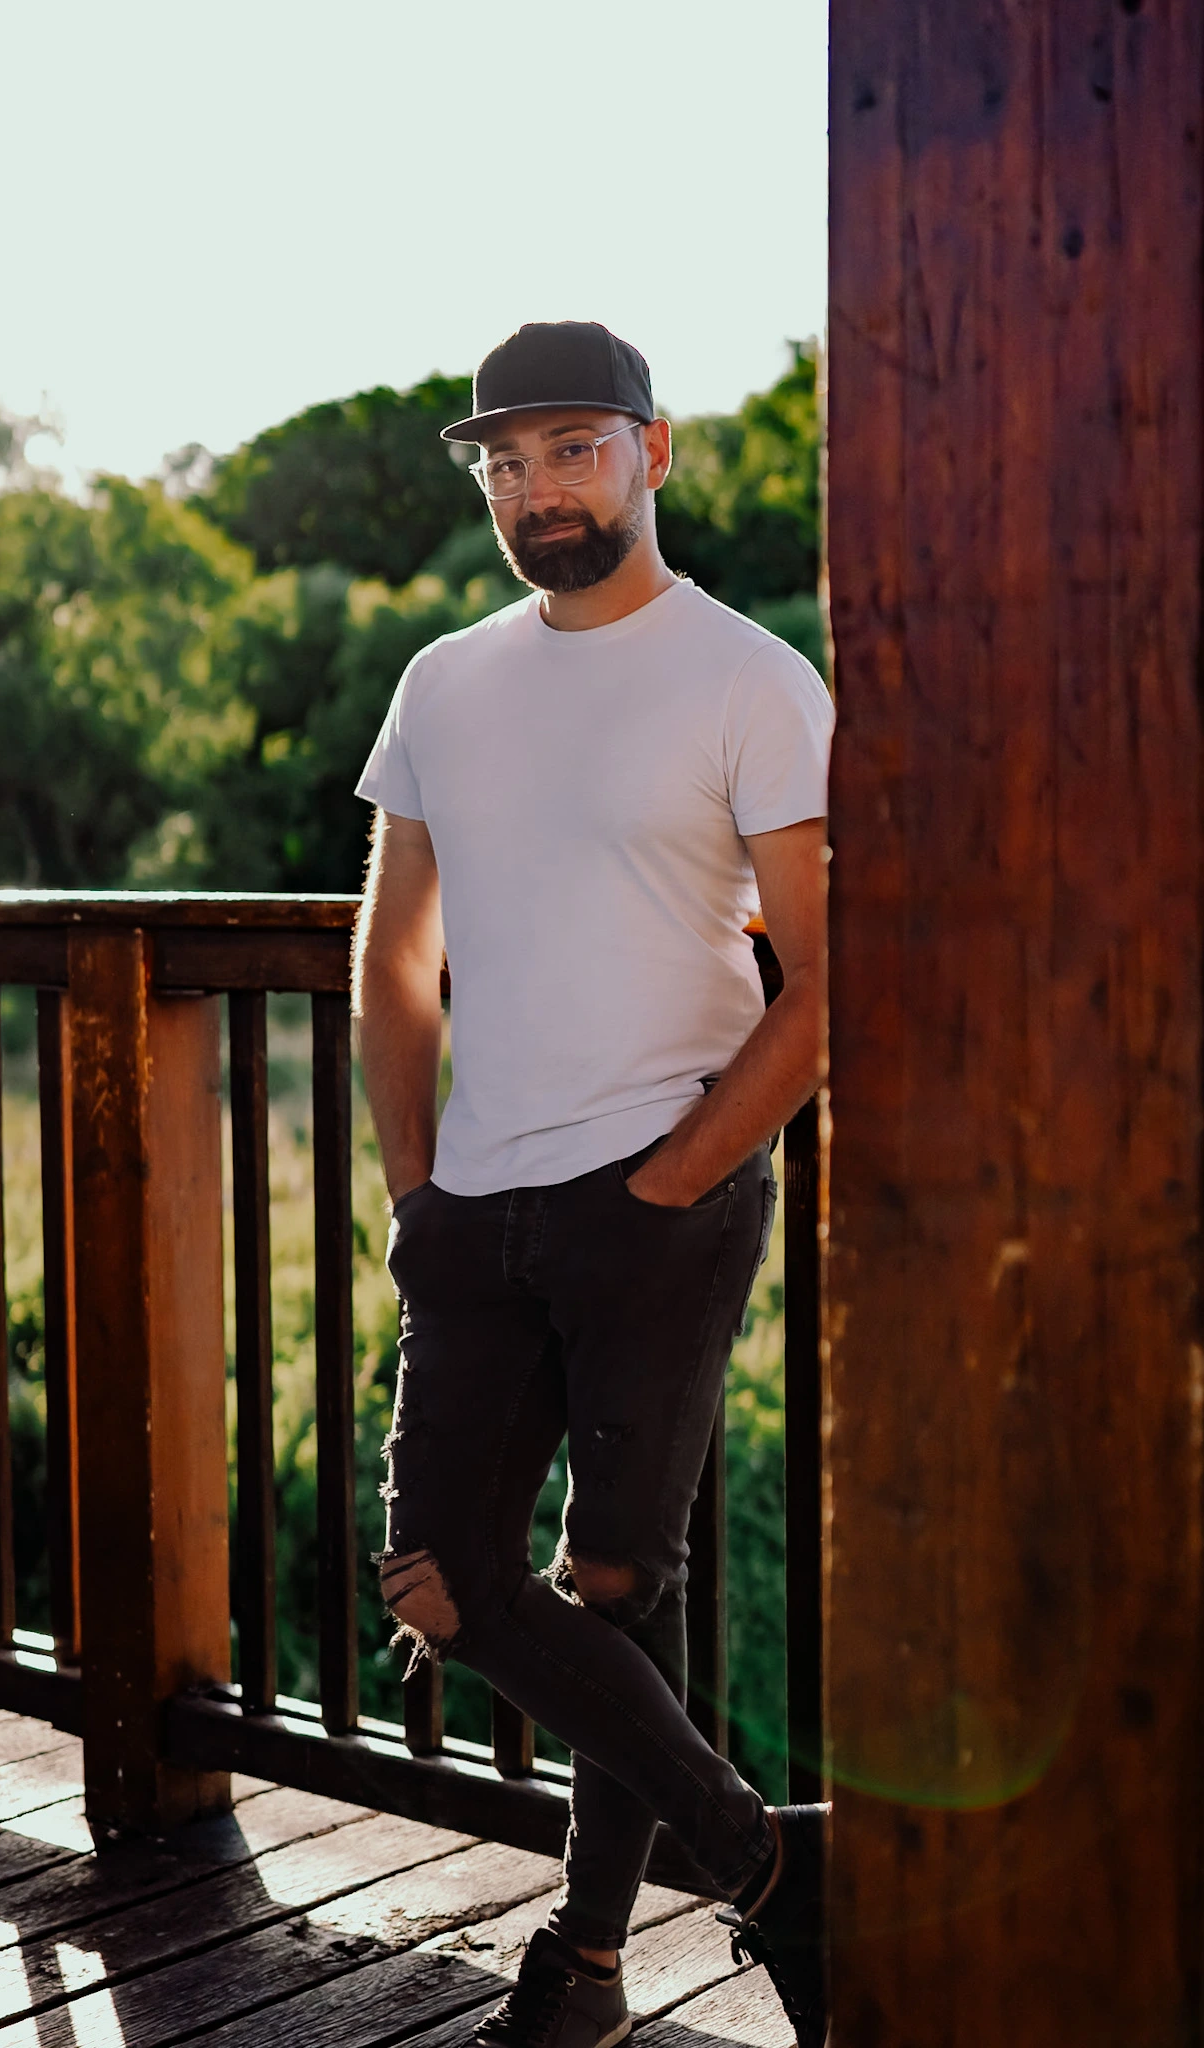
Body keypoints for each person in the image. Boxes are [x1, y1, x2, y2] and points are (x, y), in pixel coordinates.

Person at [352, 320, 833, 2048]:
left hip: (661, 1195)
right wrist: (420, 1188)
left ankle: (587, 1970)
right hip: (476, 1208)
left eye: (571, 448)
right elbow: (391, 957)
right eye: (504, 461)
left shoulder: (751, 680)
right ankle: (771, 1863)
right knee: (441, 1572)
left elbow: (829, 979)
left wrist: (674, 1178)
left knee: (624, 1585)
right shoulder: (442, 684)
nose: (534, 488)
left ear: (653, 451)